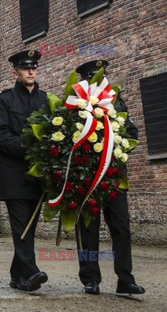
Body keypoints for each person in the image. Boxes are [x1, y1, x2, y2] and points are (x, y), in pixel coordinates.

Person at [74, 60, 144, 295]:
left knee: (121, 227)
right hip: (87, 180)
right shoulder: (75, 108)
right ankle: (90, 279)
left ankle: (125, 279)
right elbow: (66, 142)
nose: (99, 83)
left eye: (101, 78)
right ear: (84, 81)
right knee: (88, 230)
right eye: (94, 79)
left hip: (114, 177)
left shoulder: (117, 103)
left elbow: (131, 133)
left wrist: (118, 150)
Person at [0, 50, 48, 291]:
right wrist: (33, 148)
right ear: (16, 72)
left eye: (33, 67)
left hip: (38, 177)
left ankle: (16, 275)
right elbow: (0, 136)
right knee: (22, 225)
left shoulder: (46, 100)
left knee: (28, 228)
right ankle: (31, 274)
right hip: (14, 176)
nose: (31, 71)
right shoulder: (2, 101)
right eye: (25, 68)